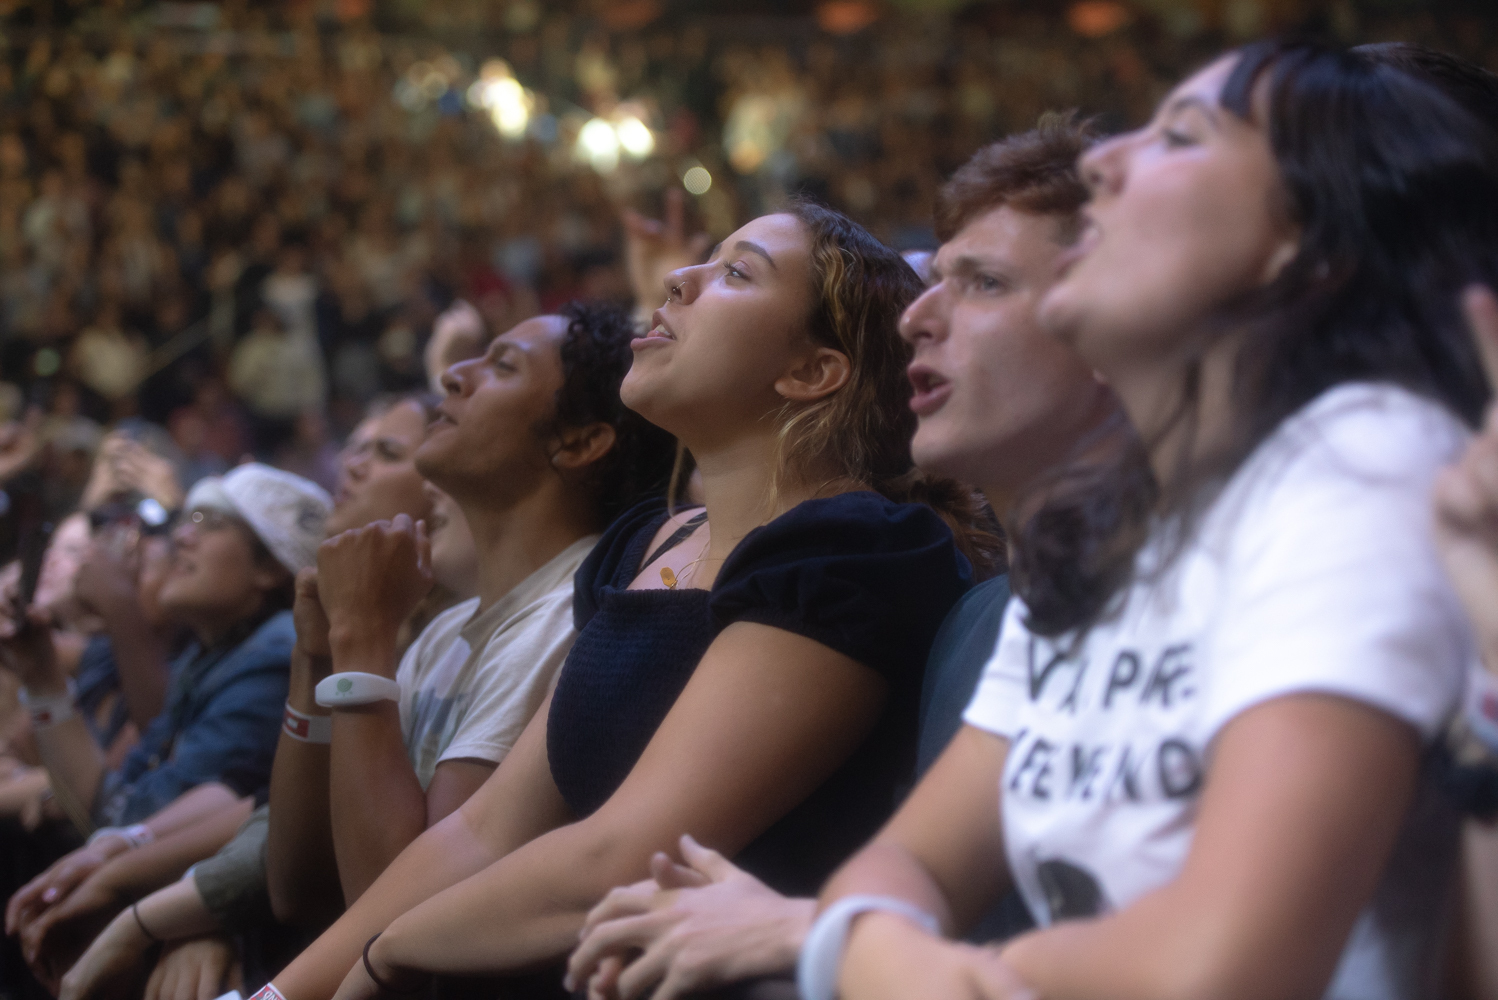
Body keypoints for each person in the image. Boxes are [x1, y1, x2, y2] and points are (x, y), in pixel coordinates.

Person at [809, 41, 1498, 1000]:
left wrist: (938, 968)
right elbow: (899, 871)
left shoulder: (1366, 457)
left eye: (1180, 135)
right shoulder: (1104, 529)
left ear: (1307, 240)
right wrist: (886, 951)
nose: (1104, 164)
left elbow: (1220, 966)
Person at [254, 203, 980, 1000]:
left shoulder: (852, 549)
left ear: (811, 372)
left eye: (736, 272)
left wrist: (385, 955)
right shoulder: (645, 546)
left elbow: (628, 853)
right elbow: (482, 830)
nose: (679, 278)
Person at [565, 117, 1119, 1000]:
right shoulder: (1016, 611)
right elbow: (917, 876)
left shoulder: (1257, 581)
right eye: (933, 278)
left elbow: (1208, 963)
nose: (922, 316)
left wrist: (812, 929)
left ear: (1120, 327)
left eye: (982, 282)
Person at [268, 301, 674, 923]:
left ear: (580, 441)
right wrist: (316, 655)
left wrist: (362, 640)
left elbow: (395, 917)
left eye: (503, 366)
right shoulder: (445, 631)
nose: (456, 375)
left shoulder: (568, 619)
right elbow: (300, 892)